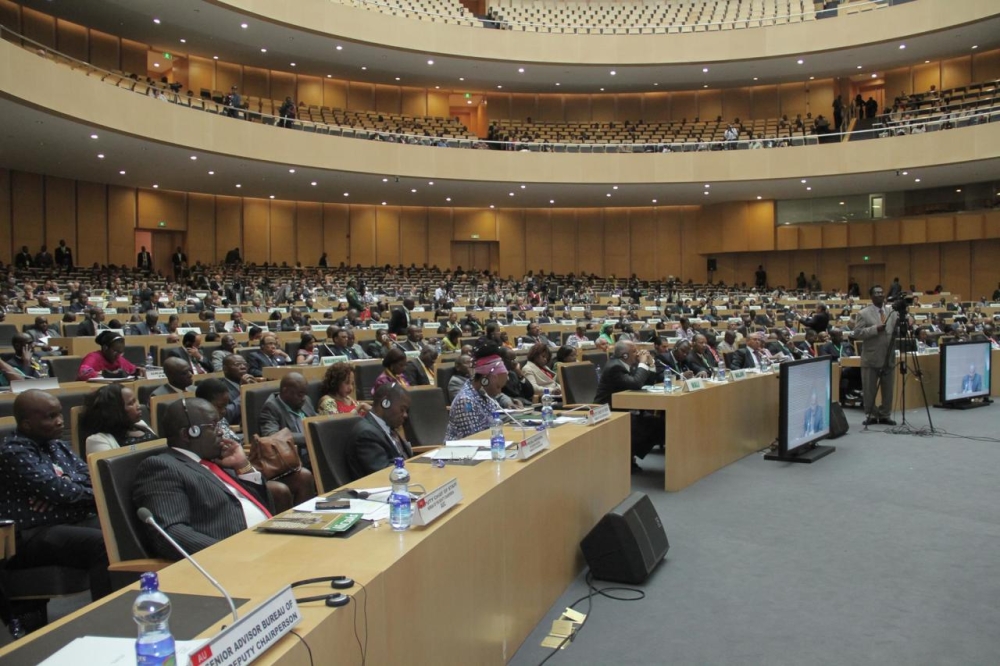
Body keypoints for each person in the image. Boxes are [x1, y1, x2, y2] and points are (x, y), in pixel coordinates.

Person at [0, 390, 112, 600]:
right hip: (28, 535)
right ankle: (107, 616)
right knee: (103, 544)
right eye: (50, 417)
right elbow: (61, 493)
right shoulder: (14, 452)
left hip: (65, 521)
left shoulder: (57, 444)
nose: (61, 421)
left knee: (120, 527)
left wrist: (65, 487)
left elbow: (91, 480)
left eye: (59, 414)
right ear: (26, 424)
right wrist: (64, 491)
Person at [132, 398, 274, 560]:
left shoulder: (219, 460)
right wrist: (231, 553)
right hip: (234, 559)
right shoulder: (162, 467)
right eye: (213, 426)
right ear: (188, 434)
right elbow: (170, 532)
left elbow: (264, 503)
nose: (221, 432)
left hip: (268, 541)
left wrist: (243, 466)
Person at [594, 340, 662, 472]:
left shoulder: (625, 365)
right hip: (609, 413)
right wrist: (642, 363)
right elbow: (636, 384)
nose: (637, 354)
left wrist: (650, 362)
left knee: (658, 423)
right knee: (654, 425)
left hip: (623, 410)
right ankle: (626, 458)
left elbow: (647, 381)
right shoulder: (615, 367)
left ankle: (628, 455)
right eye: (634, 351)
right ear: (625, 355)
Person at [345, 383, 413, 480]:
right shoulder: (366, 434)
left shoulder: (388, 426)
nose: (405, 415)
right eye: (402, 409)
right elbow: (383, 473)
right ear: (385, 403)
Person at [852, 285, 899, 426]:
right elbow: (857, 333)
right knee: (869, 389)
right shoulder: (863, 313)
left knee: (888, 389)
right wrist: (874, 329)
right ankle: (871, 414)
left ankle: (885, 414)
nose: (880, 294)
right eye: (877, 293)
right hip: (871, 357)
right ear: (871, 296)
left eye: (881, 292)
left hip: (888, 356)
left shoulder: (892, 311)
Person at [445, 344, 509, 441]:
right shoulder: (466, 401)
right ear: (485, 379)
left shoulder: (484, 395)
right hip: (461, 453)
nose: (499, 391)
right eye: (498, 386)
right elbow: (475, 438)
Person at [257, 372, 317, 464]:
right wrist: (309, 437)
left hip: (313, 453)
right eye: (300, 395)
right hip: (292, 459)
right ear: (285, 391)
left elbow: (316, 420)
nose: (304, 398)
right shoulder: (271, 408)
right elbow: (272, 436)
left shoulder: (305, 400)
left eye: (305, 394)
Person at [81, 384, 157, 455]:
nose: (138, 406)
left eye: (135, 400)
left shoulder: (141, 424)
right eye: (131, 403)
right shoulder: (97, 440)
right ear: (115, 410)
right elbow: (112, 468)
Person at [77, 331, 142, 380]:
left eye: (120, 352)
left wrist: (139, 371)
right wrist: (108, 374)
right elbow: (83, 373)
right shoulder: (93, 357)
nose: (118, 355)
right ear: (105, 348)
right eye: (115, 351)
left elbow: (132, 369)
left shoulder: (118, 358)